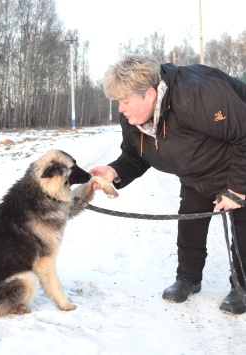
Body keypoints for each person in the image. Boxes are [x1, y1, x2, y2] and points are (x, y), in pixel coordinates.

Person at [90, 55, 246, 314]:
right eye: (119, 102)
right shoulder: (132, 119)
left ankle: (242, 286)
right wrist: (113, 171)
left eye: (126, 101)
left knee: (242, 224)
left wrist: (238, 190)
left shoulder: (198, 93)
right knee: (190, 221)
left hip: (237, 163)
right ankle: (187, 278)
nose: (121, 108)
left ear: (150, 94)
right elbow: (136, 155)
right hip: (196, 173)